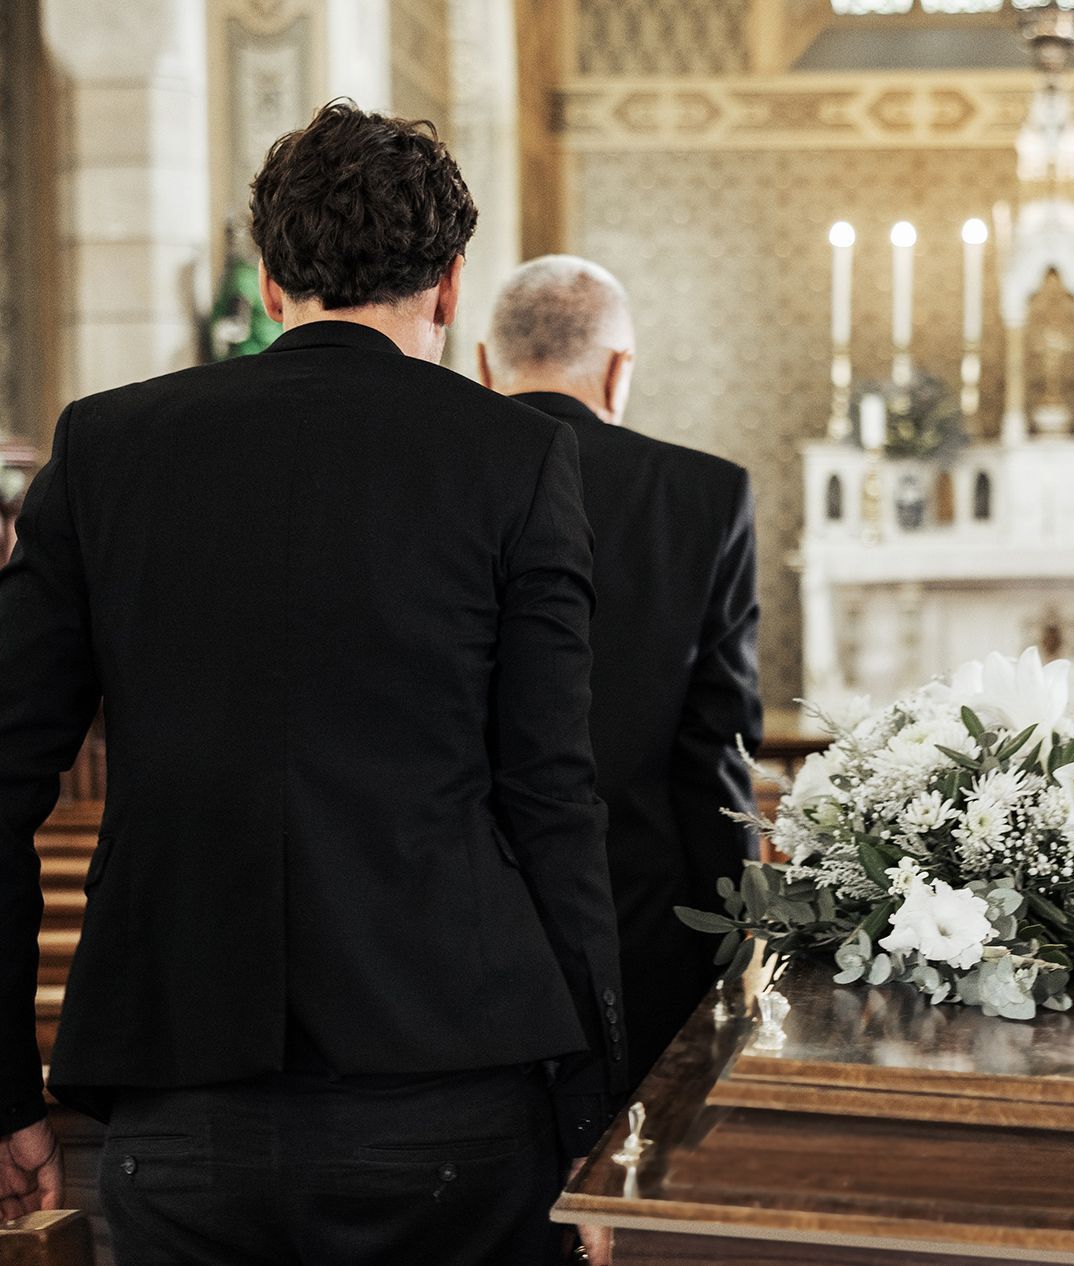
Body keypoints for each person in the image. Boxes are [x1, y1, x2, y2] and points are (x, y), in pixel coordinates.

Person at [0, 102, 625, 1264]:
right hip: (452, 1082)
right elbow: (551, 797)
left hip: (180, 1095)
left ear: (270, 276)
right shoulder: (517, 457)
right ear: (448, 282)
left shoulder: (108, 446)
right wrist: (599, 1111)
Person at [479, 255, 762, 1085]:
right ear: (618, 367)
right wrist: (729, 935)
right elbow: (717, 744)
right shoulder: (702, 493)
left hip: (453, 917)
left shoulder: (431, 481)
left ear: (484, 364)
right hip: (641, 912)